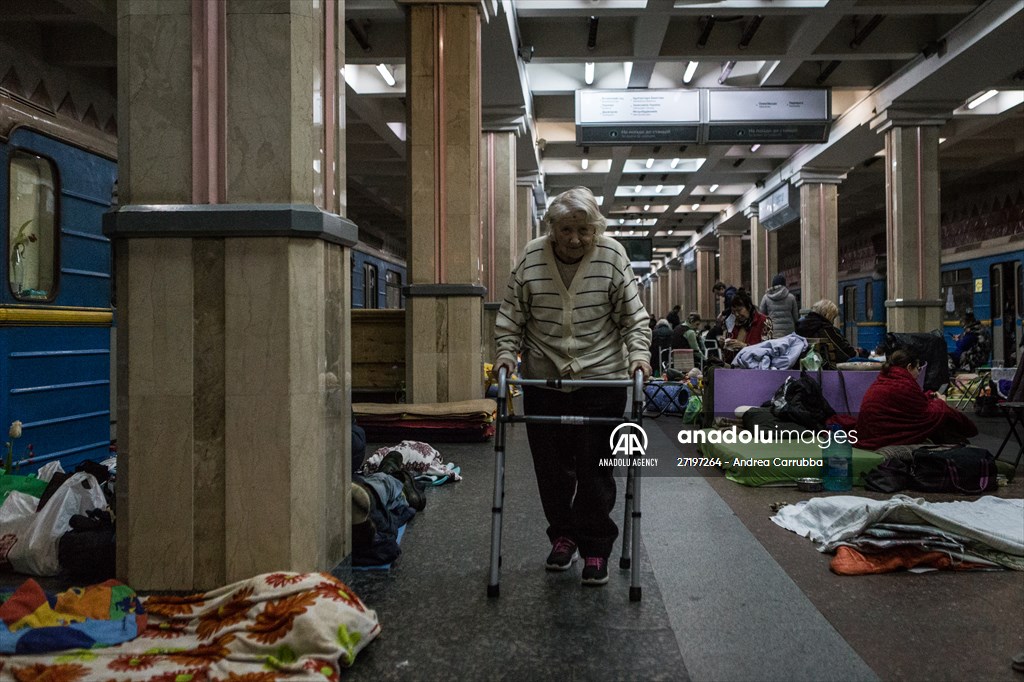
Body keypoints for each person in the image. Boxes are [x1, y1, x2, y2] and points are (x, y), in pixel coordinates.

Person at [492, 186, 652, 587]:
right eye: (567, 230)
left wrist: (639, 357)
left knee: (595, 467)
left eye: (584, 230)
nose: (576, 239)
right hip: (544, 378)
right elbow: (512, 316)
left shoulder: (612, 255)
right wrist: (506, 355)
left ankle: (595, 547)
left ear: (595, 229)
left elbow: (634, 319)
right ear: (552, 228)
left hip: (602, 378)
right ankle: (563, 536)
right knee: (552, 470)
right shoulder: (530, 257)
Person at [855, 350, 978, 450]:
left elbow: (908, 407)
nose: (919, 373)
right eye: (917, 369)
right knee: (943, 420)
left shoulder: (884, 380)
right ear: (909, 367)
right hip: (883, 439)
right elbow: (926, 417)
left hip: (873, 435)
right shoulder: (904, 384)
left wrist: (930, 397)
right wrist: (940, 402)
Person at [795, 299, 857, 367]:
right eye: (833, 318)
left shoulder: (801, 325)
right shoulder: (825, 327)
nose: (833, 322)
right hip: (829, 365)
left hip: (807, 363)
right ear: (828, 315)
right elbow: (843, 349)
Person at [722, 288, 773, 363]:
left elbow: (767, 351)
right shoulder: (732, 322)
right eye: (733, 311)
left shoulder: (764, 321)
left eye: (739, 310)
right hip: (734, 366)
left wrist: (744, 347)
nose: (737, 314)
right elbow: (728, 356)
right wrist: (724, 344)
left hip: (756, 368)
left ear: (748, 307)